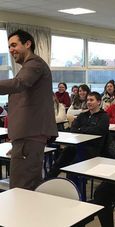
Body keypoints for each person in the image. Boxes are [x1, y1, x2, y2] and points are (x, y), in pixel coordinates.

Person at [0, 29, 58, 189]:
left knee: (21, 187)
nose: (11, 50)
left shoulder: (35, 64)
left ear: (27, 44)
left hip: (30, 136)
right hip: (26, 136)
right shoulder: (28, 66)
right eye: (9, 46)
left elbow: (18, 84)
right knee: (26, 185)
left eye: (14, 45)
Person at [46, 92, 109, 179]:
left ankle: (74, 186)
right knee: (62, 157)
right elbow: (73, 128)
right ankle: (48, 180)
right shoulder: (83, 115)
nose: (89, 102)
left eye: (91, 100)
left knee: (73, 166)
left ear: (99, 102)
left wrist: (81, 129)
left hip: (92, 148)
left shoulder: (104, 117)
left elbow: (98, 131)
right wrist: (86, 129)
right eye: (87, 100)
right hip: (77, 145)